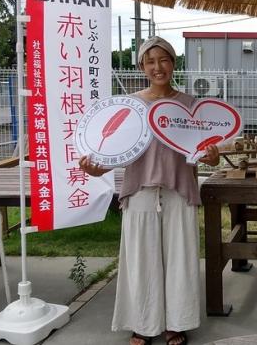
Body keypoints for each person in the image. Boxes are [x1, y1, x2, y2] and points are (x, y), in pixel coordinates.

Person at [79, 36, 219, 345]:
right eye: (150, 61)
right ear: (142, 66)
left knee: (180, 259)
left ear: (173, 63)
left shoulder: (190, 105)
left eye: (164, 59)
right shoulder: (130, 106)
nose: (158, 67)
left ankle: (176, 323)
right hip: (140, 191)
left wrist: (212, 155)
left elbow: (207, 151)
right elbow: (113, 153)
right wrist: (95, 167)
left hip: (179, 190)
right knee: (141, 260)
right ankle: (143, 323)